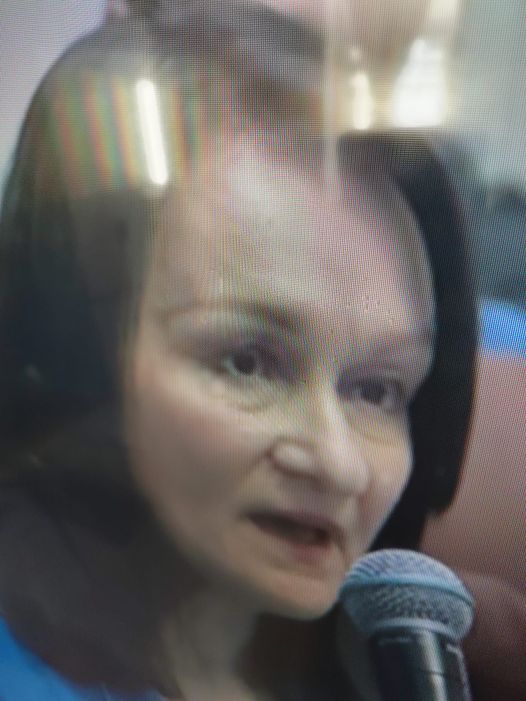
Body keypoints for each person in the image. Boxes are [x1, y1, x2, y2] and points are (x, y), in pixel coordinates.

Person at [0, 3, 477, 700]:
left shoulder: (408, 663)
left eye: (378, 390)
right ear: (85, 366)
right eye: (247, 362)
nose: (340, 463)